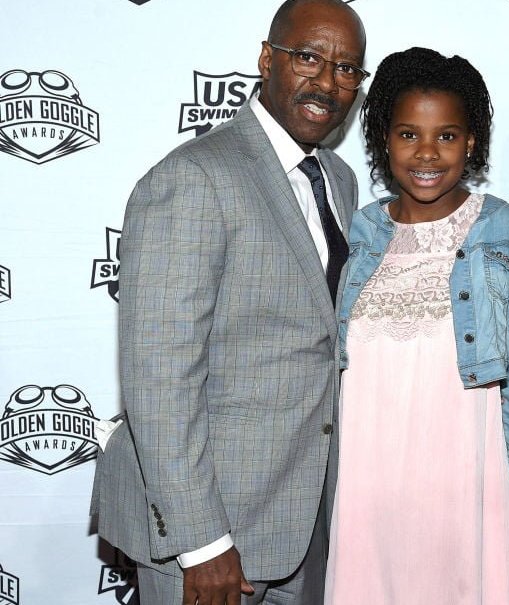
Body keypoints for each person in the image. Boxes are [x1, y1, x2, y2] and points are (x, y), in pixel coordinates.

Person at [90, 1, 366, 603]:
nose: (328, 82)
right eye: (309, 58)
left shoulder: (338, 179)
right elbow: (159, 375)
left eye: (347, 69)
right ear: (267, 60)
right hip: (213, 534)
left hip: (303, 519)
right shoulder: (193, 178)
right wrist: (202, 541)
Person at [325, 47, 509, 604]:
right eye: (408, 134)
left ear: (470, 142)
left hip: (468, 493)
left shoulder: (505, 232)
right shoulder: (358, 232)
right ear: (384, 141)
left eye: (446, 135)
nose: (427, 153)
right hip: (369, 495)